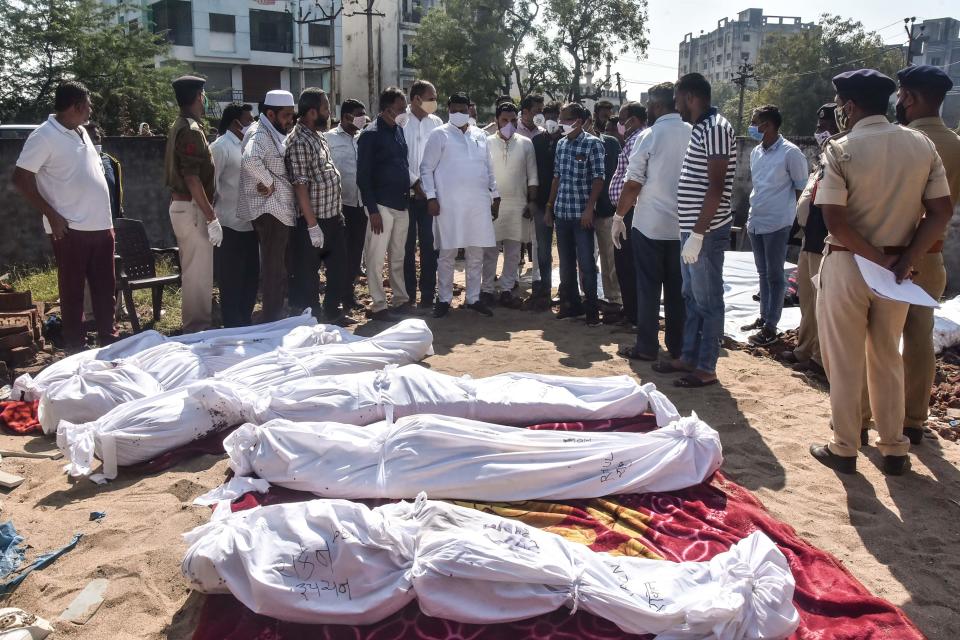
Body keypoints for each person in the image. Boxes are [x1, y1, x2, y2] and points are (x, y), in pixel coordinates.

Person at [809, 69, 953, 476]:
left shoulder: (841, 149)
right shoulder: (921, 145)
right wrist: (906, 259)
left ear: (850, 106)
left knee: (845, 357)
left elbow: (835, 221)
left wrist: (875, 256)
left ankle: (845, 445)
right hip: (898, 272)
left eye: (841, 106)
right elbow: (940, 212)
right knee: (888, 353)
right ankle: (894, 449)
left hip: (850, 263)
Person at [881, 65, 959, 445]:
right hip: (933, 256)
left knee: (879, 339)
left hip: (891, 259)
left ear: (909, 97)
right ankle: (914, 420)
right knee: (919, 340)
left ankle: (869, 416)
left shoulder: (901, 140)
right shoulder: (956, 144)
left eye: (900, 94)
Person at [12, 80, 117, 351]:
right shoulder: (44, 135)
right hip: (70, 228)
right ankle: (75, 346)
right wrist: (52, 215)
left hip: (101, 226)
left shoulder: (81, 131)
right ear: (77, 106)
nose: (91, 109)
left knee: (106, 289)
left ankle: (109, 340)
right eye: (89, 105)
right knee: (72, 293)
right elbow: (21, 178)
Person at [662, 73, 736, 388]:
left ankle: (706, 367)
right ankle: (689, 356)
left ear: (691, 97)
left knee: (708, 300)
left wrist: (699, 233)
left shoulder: (717, 128)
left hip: (705, 232)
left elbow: (716, 188)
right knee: (690, 296)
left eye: (677, 98)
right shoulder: (701, 128)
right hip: (691, 230)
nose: (675, 104)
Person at [420, 92, 501, 318]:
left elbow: (489, 168)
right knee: (447, 252)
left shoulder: (480, 135)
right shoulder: (439, 135)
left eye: (462, 110)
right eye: (454, 109)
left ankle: (473, 298)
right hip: (448, 205)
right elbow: (426, 168)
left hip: (478, 203)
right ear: (448, 110)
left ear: (470, 110)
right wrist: (431, 197)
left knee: (476, 252)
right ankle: (444, 299)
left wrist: (495, 194)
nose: (458, 114)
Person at [741, 104, 809, 346]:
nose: (752, 126)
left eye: (754, 121)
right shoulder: (756, 152)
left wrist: (800, 222)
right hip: (756, 219)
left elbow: (802, 189)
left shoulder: (791, 153)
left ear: (767, 125)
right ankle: (763, 316)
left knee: (775, 275)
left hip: (778, 221)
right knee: (762, 272)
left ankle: (771, 325)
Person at [285, 88, 352, 325]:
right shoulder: (299, 141)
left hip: (333, 215)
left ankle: (332, 310)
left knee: (339, 268)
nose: (329, 113)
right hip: (313, 221)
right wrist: (313, 226)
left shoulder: (318, 135)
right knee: (309, 273)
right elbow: (300, 186)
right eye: (325, 108)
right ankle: (312, 317)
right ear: (312, 112)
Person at [238, 89, 305, 323]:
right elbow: (249, 160)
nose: (290, 120)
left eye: (292, 115)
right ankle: (271, 318)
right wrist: (267, 182)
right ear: (271, 113)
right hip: (269, 210)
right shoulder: (259, 133)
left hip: (279, 210)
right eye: (286, 115)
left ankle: (276, 313)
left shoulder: (272, 131)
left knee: (280, 266)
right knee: (274, 268)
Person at [781, 104, 838, 375]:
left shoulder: (842, 155)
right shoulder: (824, 156)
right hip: (809, 239)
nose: (819, 130)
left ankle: (819, 359)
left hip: (825, 241)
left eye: (824, 125)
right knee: (807, 299)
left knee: (821, 304)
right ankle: (804, 349)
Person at [163, 75, 222, 333]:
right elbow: (191, 177)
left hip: (186, 206)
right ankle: (197, 330)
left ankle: (196, 326)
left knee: (194, 271)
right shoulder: (190, 129)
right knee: (198, 274)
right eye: (203, 95)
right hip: (193, 208)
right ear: (199, 96)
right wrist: (211, 217)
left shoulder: (180, 125)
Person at [545, 102, 606, 327]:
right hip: (562, 213)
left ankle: (591, 309)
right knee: (566, 263)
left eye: (565, 119)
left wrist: (590, 209)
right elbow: (557, 177)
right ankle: (570, 305)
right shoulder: (561, 144)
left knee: (587, 264)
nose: (561, 123)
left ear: (578, 122)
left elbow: (599, 179)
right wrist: (550, 207)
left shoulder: (593, 145)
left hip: (582, 216)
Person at [357, 87, 412, 321]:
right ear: (387, 109)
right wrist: (372, 210)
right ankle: (379, 305)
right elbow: (363, 176)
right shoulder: (370, 134)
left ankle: (401, 300)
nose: (404, 112)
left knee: (398, 255)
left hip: (401, 203)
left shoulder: (398, 130)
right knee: (376, 257)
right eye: (401, 108)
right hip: (380, 205)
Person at [483, 102, 538, 308]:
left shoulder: (526, 143)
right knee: (489, 250)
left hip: (518, 203)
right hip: (492, 204)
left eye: (513, 120)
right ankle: (486, 289)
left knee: (514, 250)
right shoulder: (486, 142)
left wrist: (532, 201)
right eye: (505, 120)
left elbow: (532, 175)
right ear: (496, 120)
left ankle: (506, 289)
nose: (509, 124)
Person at [209, 102, 258, 327]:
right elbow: (211, 185)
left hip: (250, 224)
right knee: (231, 280)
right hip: (228, 224)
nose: (252, 124)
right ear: (235, 122)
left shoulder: (249, 146)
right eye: (249, 120)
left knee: (250, 278)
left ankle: (245, 320)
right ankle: (231, 323)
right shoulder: (220, 147)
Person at [402, 80, 443, 309]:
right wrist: (415, 183)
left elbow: (440, 160)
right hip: (405, 196)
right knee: (406, 247)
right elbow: (398, 159)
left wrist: (429, 191)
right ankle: (408, 294)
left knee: (430, 245)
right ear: (417, 99)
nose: (434, 102)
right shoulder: (401, 121)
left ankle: (428, 293)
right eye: (431, 97)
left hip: (430, 198)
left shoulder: (437, 124)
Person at [325, 98, 368, 310]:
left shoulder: (363, 138)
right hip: (339, 207)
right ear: (345, 117)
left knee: (355, 253)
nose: (363, 118)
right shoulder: (328, 139)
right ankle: (335, 297)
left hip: (360, 204)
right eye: (359, 114)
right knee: (339, 254)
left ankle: (348, 294)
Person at [607, 102, 647, 329]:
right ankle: (629, 310)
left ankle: (633, 316)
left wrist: (620, 216)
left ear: (632, 119)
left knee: (628, 264)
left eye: (622, 120)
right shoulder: (633, 140)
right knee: (624, 263)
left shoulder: (639, 140)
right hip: (626, 211)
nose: (619, 125)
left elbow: (634, 181)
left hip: (629, 212)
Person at [526, 101, 563, 310]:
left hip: (564, 203)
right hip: (541, 202)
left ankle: (567, 291)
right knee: (542, 249)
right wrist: (531, 199)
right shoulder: (536, 141)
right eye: (546, 114)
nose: (550, 119)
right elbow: (531, 172)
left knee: (567, 252)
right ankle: (544, 290)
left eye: (554, 115)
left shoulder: (567, 141)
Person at [593, 122, 623, 317]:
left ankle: (614, 298)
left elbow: (619, 174)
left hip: (605, 210)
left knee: (609, 257)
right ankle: (588, 295)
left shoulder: (611, 144)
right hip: (582, 213)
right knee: (586, 258)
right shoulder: (570, 143)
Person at [83, 123, 123, 219]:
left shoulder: (112, 162)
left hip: (109, 222)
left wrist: (119, 210)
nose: (94, 142)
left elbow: (116, 191)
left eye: (96, 138)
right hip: (84, 224)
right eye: (88, 139)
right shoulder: (75, 162)